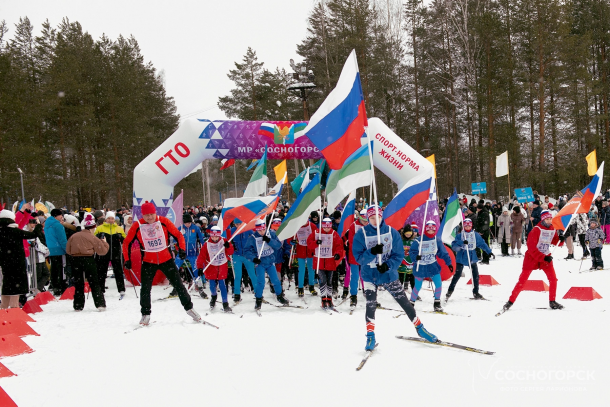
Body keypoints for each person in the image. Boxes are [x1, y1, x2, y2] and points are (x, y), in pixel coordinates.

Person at [352, 205, 438, 350]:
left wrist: (388, 265)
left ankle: (420, 328)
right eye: (371, 218)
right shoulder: (361, 234)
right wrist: (371, 252)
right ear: (367, 218)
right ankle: (370, 336)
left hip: (388, 274)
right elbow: (359, 258)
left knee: (404, 302)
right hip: (369, 275)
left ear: (381, 217)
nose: (375, 221)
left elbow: (398, 255)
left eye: (377, 217)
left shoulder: (392, 232)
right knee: (370, 304)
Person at [122, 201, 202, 325]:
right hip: (148, 261)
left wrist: (181, 249)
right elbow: (127, 243)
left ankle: (190, 309)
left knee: (179, 285)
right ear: (142, 215)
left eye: (151, 214)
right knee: (145, 289)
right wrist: (127, 259)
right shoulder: (137, 225)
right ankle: (145, 314)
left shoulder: (163, 221)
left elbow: (178, 235)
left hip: (166, 260)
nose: (149, 217)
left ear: (155, 213)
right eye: (146, 215)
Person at [502, 210, 565, 312]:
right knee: (522, 281)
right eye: (547, 219)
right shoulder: (536, 230)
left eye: (550, 219)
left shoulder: (552, 228)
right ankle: (510, 301)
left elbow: (555, 241)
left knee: (553, 279)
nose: (549, 221)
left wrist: (561, 239)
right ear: (543, 219)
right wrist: (543, 257)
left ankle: (552, 301)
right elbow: (531, 248)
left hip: (545, 257)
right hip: (532, 258)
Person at [0, 210, 44, 308]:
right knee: (16, 285)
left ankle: (3, 309)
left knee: (6, 285)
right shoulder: (15, 231)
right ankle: (14, 308)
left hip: (4, 262)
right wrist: (38, 226)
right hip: (17, 262)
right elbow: (32, 235)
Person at [66, 213, 109, 311]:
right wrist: (104, 243)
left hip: (75, 260)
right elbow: (102, 251)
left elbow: (68, 250)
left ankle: (78, 305)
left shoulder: (74, 236)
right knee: (94, 282)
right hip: (88, 260)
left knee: (78, 283)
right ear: (92, 228)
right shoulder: (93, 237)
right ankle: (100, 304)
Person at [244, 219, 289, 311]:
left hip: (270, 261)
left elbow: (278, 245)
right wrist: (254, 258)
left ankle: (280, 296)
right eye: (259, 230)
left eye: (263, 230)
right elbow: (247, 251)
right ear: (256, 229)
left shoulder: (270, 234)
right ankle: (258, 300)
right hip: (260, 263)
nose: (262, 232)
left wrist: (269, 240)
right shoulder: (252, 237)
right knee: (261, 283)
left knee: (276, 281)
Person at [409, 220, 453, 312]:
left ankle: (437, 303)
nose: (431, 232)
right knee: (417, 287)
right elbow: (412, 252)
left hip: (432, 266)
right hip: (420, 267)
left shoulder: (436, 240)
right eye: (429, 230)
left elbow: (443, 253)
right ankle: (411, 303)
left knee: (438, 284)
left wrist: (449, 263)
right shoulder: (418, 240)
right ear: (425, 230)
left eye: (433, 230)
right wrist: (415, 257)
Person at [446, 218, 492, 301]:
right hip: (461, 257)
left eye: (469, 225)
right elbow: (454, 246)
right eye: (466, 225)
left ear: (471, 226)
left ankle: (476, 292)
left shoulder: (475, 235)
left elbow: (482, 243)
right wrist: (462, 243)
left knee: (475, 275)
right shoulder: (460, 235)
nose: (467, 227)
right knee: (457, 275)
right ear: (463, 226)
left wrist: (489, 251)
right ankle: (450, 291)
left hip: (472, 256)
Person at [307, 217, 344, 309]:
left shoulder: (333, 234)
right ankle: (323, 299)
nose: (327, 229)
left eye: (328, 227)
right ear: (322, 226)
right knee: (323, 280)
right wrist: (316, 242)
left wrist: (337, 254)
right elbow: (309, 243)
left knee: (329, 281)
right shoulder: (316, 233)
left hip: (330, 261)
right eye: (325, 227)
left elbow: (339, 245)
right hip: (319, 261)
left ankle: (329, 299)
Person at [195, 226, 234, 312]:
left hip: (222, 266)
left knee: (223, 286)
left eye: (216, 236)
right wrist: (200, 267)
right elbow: (201, 256)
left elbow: (231, 252)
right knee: (212, 286)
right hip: (211, 267)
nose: (215, 238)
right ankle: (213, 297)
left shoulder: (223, 241)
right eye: (213, 236)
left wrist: (228, 246)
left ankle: (225, 303)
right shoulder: (206, 244)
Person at [94, 211, 127, 298]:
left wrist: (121, 237)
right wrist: (98, 236)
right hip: (104, 252)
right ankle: (101, 289)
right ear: (105, 219)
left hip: (116, 252)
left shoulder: (119, 228)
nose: (110, 220)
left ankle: (121, 289)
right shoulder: (100, 228)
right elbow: (94, 239)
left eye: (112, 218)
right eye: (109, 218)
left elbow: (125, 239)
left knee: (118, 271)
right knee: (102, 271)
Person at [176, 214, 207, 298]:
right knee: (175, 268)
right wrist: (176, 246)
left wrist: (205, 247)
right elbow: (175, 238)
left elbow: (201, 239)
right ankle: (175, 288)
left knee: (196, 271)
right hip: (182, 253)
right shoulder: (180, 228)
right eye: (186, 223)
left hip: (193, 253)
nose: (187, 225)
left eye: (189, 223)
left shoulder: (195, 228)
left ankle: (200, 288)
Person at [344, 209, 368, 307]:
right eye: (363, 221)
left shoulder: (371, 226)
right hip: (355, 256)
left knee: (366, 276)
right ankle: (353, 296)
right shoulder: (353, 226)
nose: (365, 223)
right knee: (355, 276)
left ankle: (368, 292)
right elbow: (352, 241)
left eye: (367, 221)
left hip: (366, 256)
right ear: (360, 218)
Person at [292, 213, 319, 297]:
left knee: (311, 269)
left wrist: (317, 242)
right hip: (301, 250)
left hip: (310, 250)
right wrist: (291, 241)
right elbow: (291, 237)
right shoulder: (297, 226)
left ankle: (311, 286)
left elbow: (317, 236)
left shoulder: (313, 226)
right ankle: (300, 288)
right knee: (301, 270)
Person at [230, 219, 257, 303]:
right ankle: (237, 294)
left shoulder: (248, 229)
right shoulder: (232, 231)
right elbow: (226, 240)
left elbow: (255, 239)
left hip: (247, 255)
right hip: (237, 255)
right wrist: (229, 245)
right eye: (236, 224)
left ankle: (258, 293)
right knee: (238, 276)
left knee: (252, 274)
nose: (238, 226)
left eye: (240, 224)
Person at [44, 208, 69, 296]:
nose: (62, 217)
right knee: (61, 269)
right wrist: (67, 249)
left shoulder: (47, 224)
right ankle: (61, 286)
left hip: (51, 248)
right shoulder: (58, 225)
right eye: (61, 215)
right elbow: (62, 239)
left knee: (54, 269)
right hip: (59, 249)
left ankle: (55, 286)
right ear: (56, 216)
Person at [24, 218, 50, 292]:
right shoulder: (27, 232)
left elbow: (39, 244)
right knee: (37, 275)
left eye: (35, 222)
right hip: (35, 258)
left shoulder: (33, 232)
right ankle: (35, 290)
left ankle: (37, 289)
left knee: (45, 273)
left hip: (40, 257)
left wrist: (46, 250)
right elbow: (36, 245)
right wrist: (46, 250)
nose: (34, 224)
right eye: (32, 222)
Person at [398, 225, 416, 293]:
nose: (408, 235)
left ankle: (414, 293)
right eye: (406, 234)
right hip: (402, 261)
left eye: (409, 234)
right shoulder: (400, 240)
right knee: (401, 277)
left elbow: (416, 250)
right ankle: (399, 293)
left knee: (412, 278)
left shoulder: (414, 241)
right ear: (404, 233)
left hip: (411, 261)